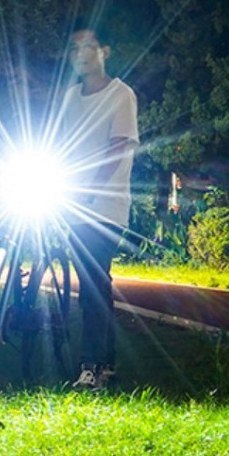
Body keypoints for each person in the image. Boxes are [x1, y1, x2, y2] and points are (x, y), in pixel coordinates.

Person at [57, 24, 139, 391]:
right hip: (70, 201)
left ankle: (91, 366)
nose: (82, 54)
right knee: (92, 284)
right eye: (75, 48)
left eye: (89, 46)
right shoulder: (69, 97)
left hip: (104, 206)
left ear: (105, 51)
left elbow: (119, 148)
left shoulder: (121, 95)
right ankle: (105, 364)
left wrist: (88, 190)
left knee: (92, 282)